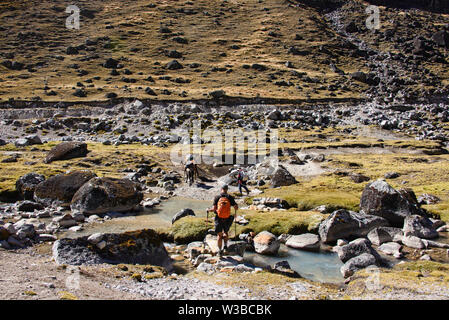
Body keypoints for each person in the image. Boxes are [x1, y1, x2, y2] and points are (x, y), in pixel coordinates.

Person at [207, 184, 238, 256]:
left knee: (219, 235)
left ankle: (219, 251)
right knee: (226, 232)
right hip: (227, 218)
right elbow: (236, 207)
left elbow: (214, 209)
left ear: (221, 189)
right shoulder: (230, 197)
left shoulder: (217, 197)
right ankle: (225, 246)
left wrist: (208, 210)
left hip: (219, 218)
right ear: (227, 189)